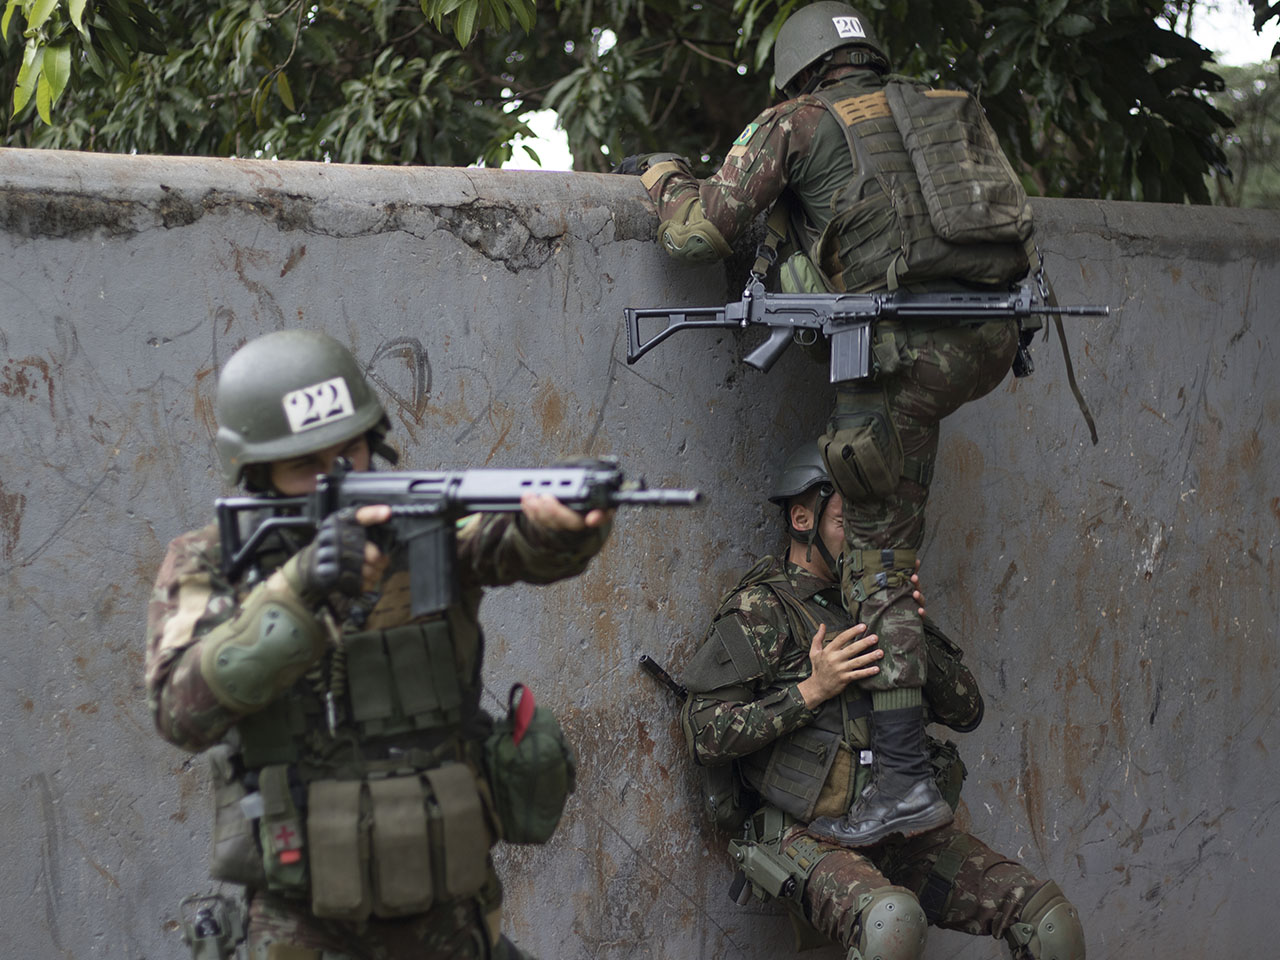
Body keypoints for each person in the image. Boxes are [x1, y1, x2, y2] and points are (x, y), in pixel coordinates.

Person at [629, 2, 1040, 847]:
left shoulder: (798, 121)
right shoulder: (941, 107)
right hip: (985, 342)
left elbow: (701, 232)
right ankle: (903, 766)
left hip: (888, 356)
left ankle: (899, 783)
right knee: (890, 550)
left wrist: (664, 178)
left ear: (801, 70)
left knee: (879, 565)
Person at [146, 330, 613, 960]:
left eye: (352, 453)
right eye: (304, 467)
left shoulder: (420, 524)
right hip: (303, 922)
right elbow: (182, 711)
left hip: (448, 904)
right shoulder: (213, 560)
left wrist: (563, 527)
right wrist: (299, 587)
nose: (336, 477)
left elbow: (507, 540)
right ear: (256, 474)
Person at [678, 443, 1084, 960]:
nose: (866, 542)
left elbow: (967, 712)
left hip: (903, 830)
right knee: (892, 925)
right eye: (850, 523)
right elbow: (703, 733)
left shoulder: (876, 599)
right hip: (805, 833)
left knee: (1049, 923)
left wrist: (909, 626)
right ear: (803, 518)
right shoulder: (763, 608)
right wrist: (810, 691)